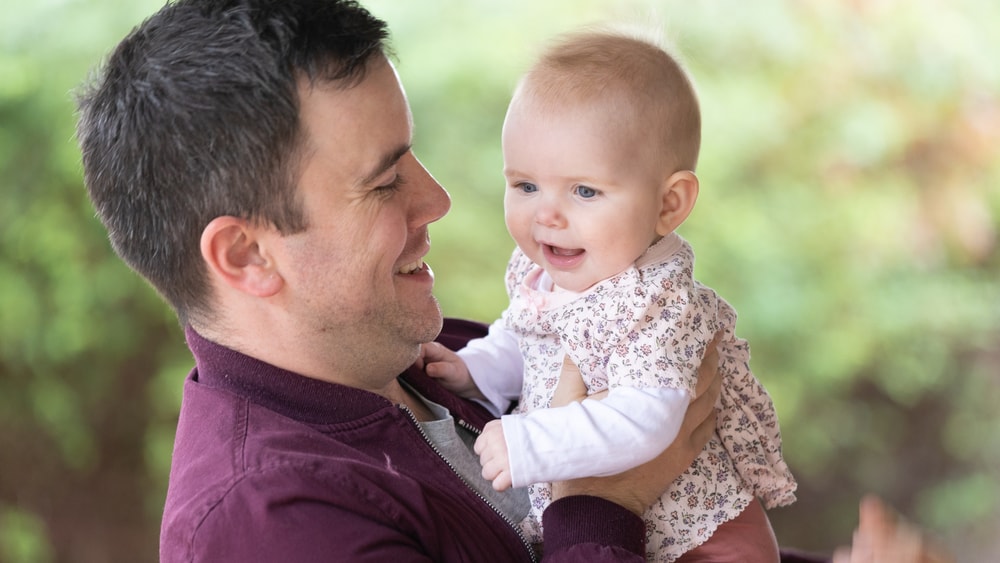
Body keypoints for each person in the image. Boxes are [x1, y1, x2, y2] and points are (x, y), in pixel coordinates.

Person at [74, 0, 955, 561]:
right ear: (246, 256)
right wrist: (598, 504)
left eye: (413, 157)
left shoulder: (436, 356)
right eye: (385, 182)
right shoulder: (270, 525)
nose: (441, 199)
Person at [418, 28, 795, 562]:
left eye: (585, 190)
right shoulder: (550, 267)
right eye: (526, 185)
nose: (546, 214)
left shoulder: (659, 306)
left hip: (703, 541)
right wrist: (475, 369)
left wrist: (532, 443)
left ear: (668, 204)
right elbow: (525, 337)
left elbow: (645, 420)